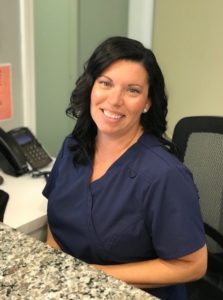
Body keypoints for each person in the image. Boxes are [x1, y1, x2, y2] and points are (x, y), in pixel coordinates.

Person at [43, 36, 207, 300]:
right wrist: (56, 272)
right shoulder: (74, 147)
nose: (115, 99)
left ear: (147, 102)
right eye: (105, 83)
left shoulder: (164, 175)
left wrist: (92, 274)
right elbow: (56, 220)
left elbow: (194, 265)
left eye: (132, 90)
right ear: (91, 88)